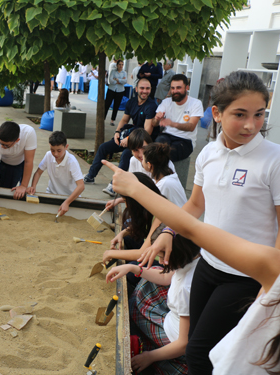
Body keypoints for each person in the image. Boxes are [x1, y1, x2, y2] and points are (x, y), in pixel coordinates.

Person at [136, 71, 280, 374]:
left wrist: (269, 289)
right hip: (208, 265)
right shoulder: (208, 154)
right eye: (239, 114)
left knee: (202, 352)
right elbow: (195, 205)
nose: (250, 125)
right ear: (216, 113)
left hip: (248, 276)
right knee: (196, 349)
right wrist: (168, 230)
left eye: (258, 114)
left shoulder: (273, 160)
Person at [104, 155, 280, 375]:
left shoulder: (189, 284)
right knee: (142, 287)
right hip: (189, 301)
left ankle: (151, 352)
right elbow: (188, 234)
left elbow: (193, 229)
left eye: (160, 256)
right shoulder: (189, 263)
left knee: (191, 347)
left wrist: (135, 190)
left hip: (177, 333)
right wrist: (134, 267)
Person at [107, 222, 199, 375]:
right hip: (177, 321)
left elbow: (183, 344)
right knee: (152, 273)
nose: (161, 261)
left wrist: (150, 357)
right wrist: (133, 268)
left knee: (136, 306)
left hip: (175, 340)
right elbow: (166, 277)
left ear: (177, 252)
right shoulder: (196, 260)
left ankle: (149, 347)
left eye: (163, 256)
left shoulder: (185, 288)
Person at [83, 78, 157, 193]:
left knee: (127, 154)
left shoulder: (151, 105)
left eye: (148, 88)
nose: (145, 91)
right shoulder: (131, 102)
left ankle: (113, 186)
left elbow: (147, 131)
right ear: (136, 89)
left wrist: (129, 139)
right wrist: (117, 132)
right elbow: (124, 119)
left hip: (143, 142)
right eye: (142, 88)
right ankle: (90, 176)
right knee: (103, 147)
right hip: (130, 135)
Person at [28, 131, 84, 217]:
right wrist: (33, 186)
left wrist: (67, 202)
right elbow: (38, 172)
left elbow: (81, 186)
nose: (55, 154)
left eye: (59, 151)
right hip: (51, 193)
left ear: (66, 147)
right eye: (52, 150)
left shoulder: (72, 162)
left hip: (70, 197)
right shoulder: (48, 155)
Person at [152, 74, 204, 162]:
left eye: (178, 88)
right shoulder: (166, 102)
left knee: (168, 154)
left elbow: (191, 127)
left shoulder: (196, 103)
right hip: (166, 136)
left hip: (185, 140)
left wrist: (172, 124)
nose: (175, 91)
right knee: (156, 149)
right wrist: (157, 118)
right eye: (172, 88)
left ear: (186, 88)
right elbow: (153, 124)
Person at [142, 142, 187, 207]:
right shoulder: (167, 175)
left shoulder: (165, 184)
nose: (141, 161)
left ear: (149, 165)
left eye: (143, 159)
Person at [105, 60, 127, 126]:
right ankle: (103, 118)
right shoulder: (113, 71)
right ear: (117, 65)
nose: (121, 66)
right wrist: (120, 81)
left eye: (122, 64)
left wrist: (117, 79)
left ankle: (112, 120)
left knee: (116, 106)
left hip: (120, 90)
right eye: (119, 64)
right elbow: (111, 80)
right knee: (107, 104)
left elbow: (125, 81)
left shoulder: (124, 73)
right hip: (111, 89)